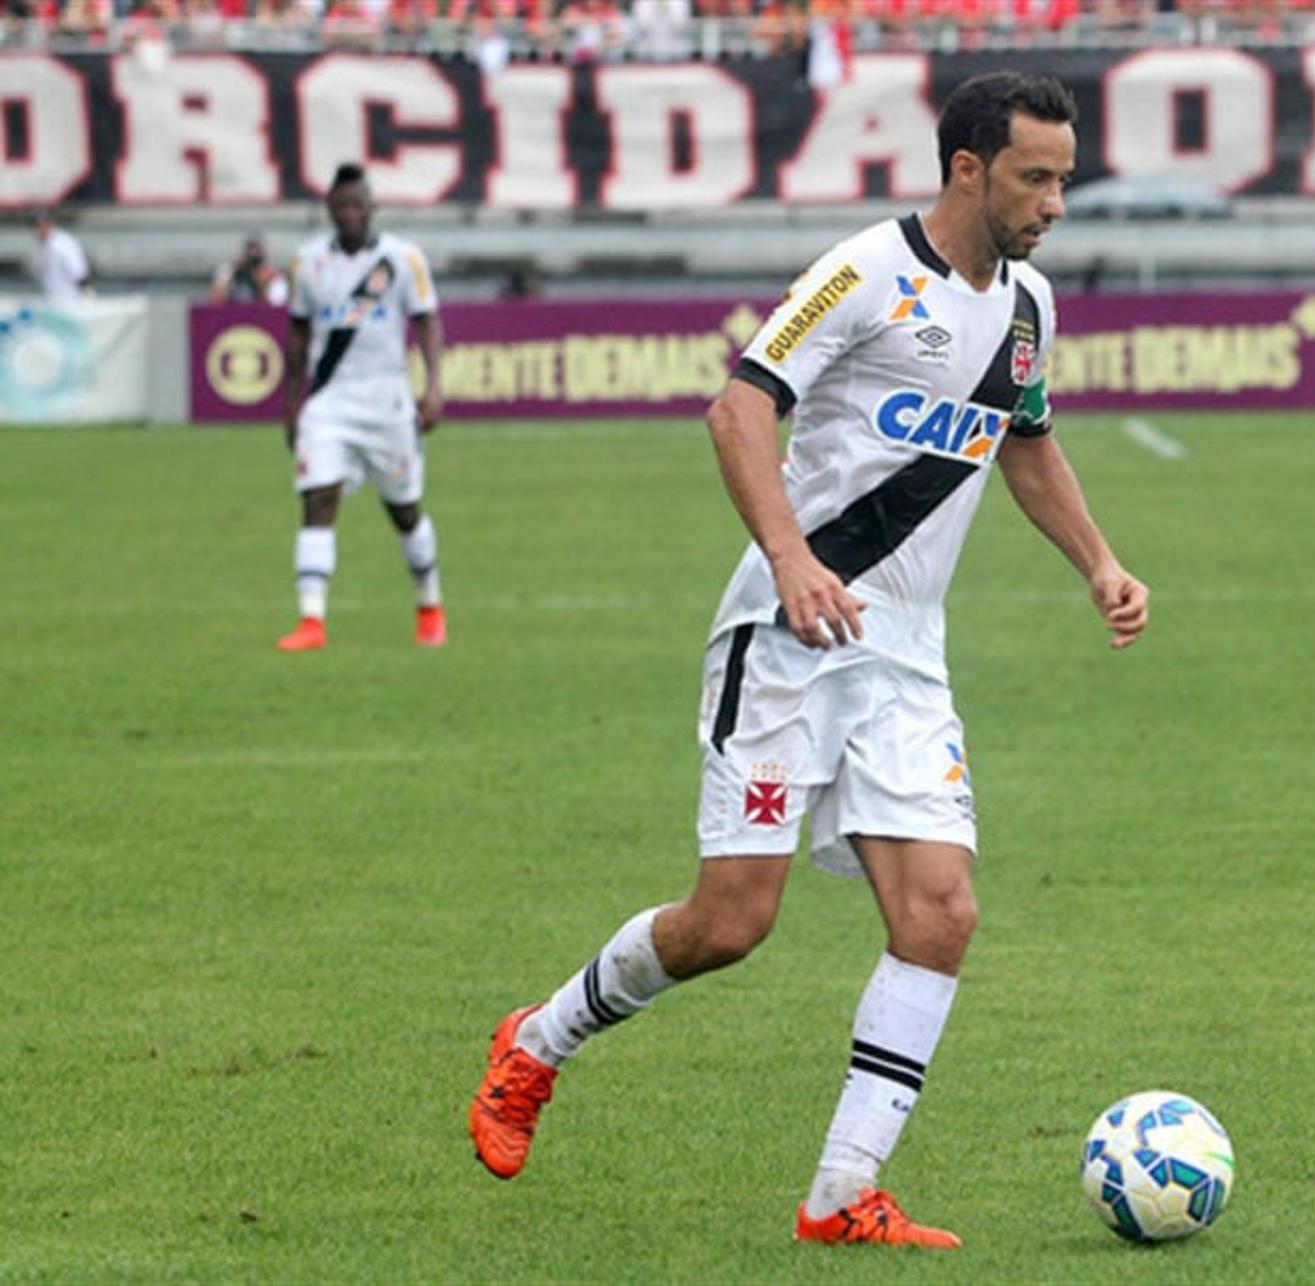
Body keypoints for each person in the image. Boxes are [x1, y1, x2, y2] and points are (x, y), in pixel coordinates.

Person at [467, 71, 1150, 1248]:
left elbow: (1024, 446)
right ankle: (539, 1040)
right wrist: (788, 557)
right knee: (732, 922)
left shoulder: (1028, 306)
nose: (1054, 203)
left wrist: (1097, 560)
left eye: (1065, 179)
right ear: (967, 170)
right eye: (1036, 177)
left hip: (904, 659)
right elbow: (738, 408)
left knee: (940, 913)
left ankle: (841, 1192)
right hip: (786, 640)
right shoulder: (863, 273)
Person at [277, 163, 447, 653]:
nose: (350, 213)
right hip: (328, 403)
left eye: (357, 205)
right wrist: (292, 404)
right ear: (330, 209)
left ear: (372, 209)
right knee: (317, 498)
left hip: (387, 402)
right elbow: (298, 335)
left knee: (405, 511)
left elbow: (428, 325)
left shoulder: (402, 260)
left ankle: (429, 606)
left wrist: (433, 387)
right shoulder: (307, 264)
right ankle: (312, 620)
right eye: (342, 205)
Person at [211, 232, 289, 305]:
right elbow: (215, 300)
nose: (253, 252)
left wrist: (256, 277)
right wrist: (233, 272)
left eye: (257, 248)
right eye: (250, 247)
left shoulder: (273, 275)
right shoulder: (229, 269)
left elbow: (273, 305)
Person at [32, 208, 91, 300]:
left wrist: (87, 293)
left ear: (49, 225)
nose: (37, 230)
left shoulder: (63, 244)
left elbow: (79, 272)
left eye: (40, 225)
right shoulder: (43, 244)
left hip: (70, 301)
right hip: (51, 300)